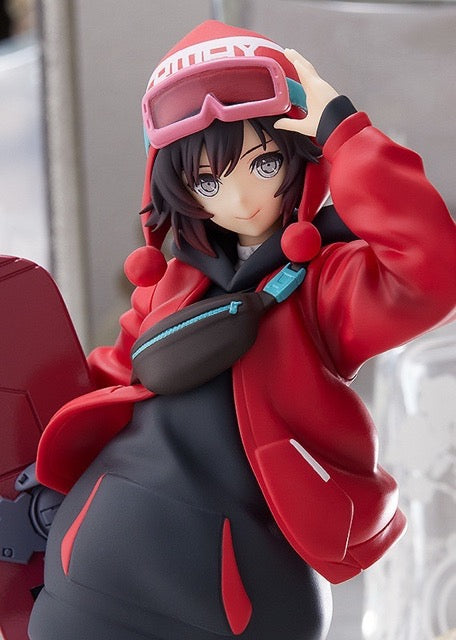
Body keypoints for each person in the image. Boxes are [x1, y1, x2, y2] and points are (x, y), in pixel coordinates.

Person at [28, 20, 456, 640]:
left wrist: (342, 131)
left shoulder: (325, 284)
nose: (242, 198)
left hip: (239, 575)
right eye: (208, 181)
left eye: (265, 163)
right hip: (101, 550)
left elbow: (431, 269)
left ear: (298, 153)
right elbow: (108, 382)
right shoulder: (170, 283)